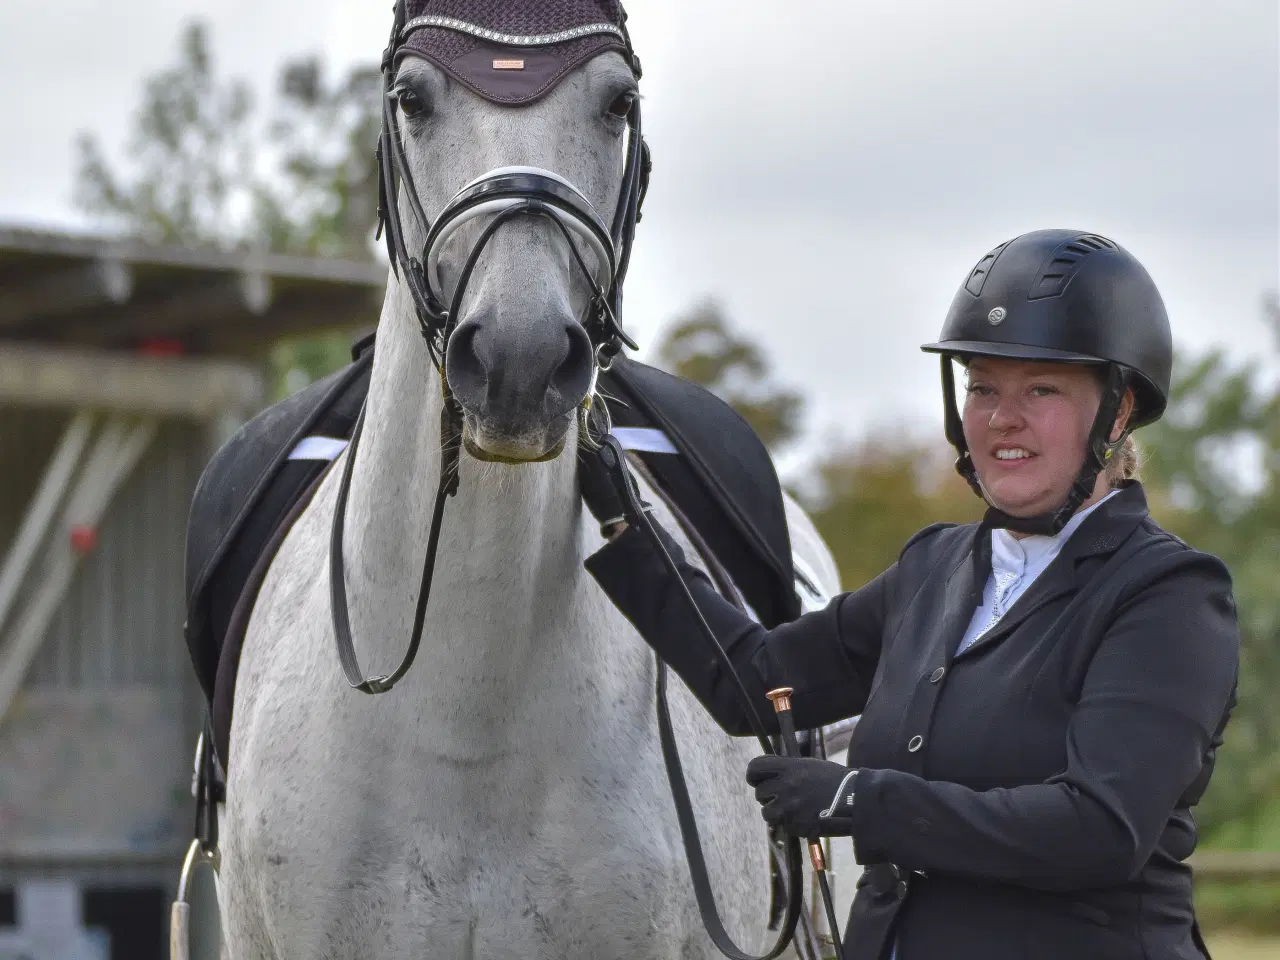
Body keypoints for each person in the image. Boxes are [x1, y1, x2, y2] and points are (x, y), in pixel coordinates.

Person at [578, 229, 1240, 960]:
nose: (1003, 418)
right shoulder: (934, 566)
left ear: (1117, 412)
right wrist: (624, 522)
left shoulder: (1169, 596)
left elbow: (1101, 830)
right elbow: (755, 681)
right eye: (983, 387)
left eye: (1041, 390)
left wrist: (860, 798)